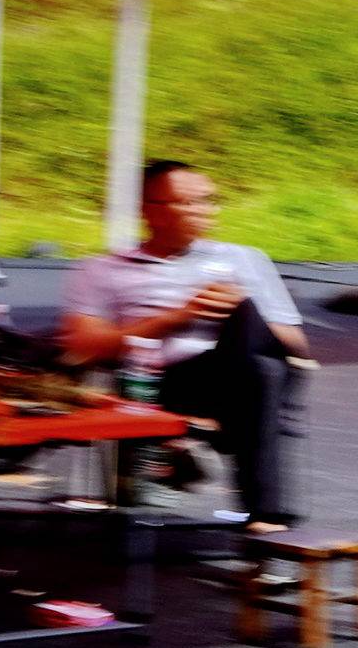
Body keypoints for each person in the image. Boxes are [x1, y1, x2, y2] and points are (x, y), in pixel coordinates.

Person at [46, 160, 315, 532]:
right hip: (161, 381)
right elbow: (83, 345)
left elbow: (295, 343)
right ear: (149, 210)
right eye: (189, 202)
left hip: (237, 373)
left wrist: (235, 311)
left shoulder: (245, 259)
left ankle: (240, 463)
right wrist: (181, 316)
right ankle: (267, 511)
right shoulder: (102, 269)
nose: (204, 211)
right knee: (264, 372)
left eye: (209, 200)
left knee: (252, 334)